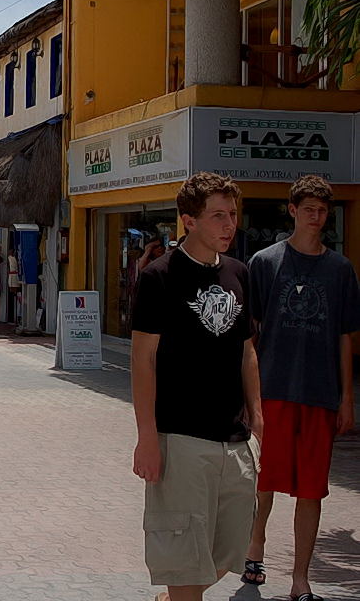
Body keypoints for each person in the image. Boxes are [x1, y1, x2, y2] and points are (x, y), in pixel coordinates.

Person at [130, 172, 262, 601]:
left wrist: (258, 421)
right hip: (181, 440)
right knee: (184, 562)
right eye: (218, 216)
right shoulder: (159, 277)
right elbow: (143, 361)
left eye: (233, 214)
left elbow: (247, 351)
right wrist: (147, 437)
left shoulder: (239, 273)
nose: (229, 225)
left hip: (235, 440)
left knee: (230, 551)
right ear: (189, 220)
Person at [243, 176, 359, 600]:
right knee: (264, 480)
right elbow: (248, 337)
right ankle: (255, 546)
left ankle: (300, 579)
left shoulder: (340, 270)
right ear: (292, 210)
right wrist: (248, 397)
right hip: (273, 390)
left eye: (323, 211)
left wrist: (346, 398)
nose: (316, 217)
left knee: (312, 490)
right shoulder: (264, 262)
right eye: (309, 209)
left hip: (320, 394)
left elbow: (345, 337)